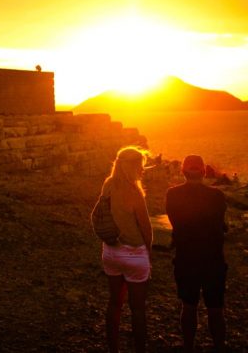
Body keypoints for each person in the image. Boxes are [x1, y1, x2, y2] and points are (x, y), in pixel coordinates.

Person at [165, 154, 228, 352]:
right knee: (216, 308)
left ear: (183, 171)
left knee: (189, 305)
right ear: (203, 171)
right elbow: (221, 225)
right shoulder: (217, 195)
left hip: (186, 258)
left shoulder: (172, 194)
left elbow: (176, 222)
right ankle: (219, 346)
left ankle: (189, 346)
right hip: (213, 259)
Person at [100, 146, 153, 353]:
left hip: (111, 252)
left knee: (114, 303)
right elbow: (146, 228)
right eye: (140, 166)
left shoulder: (108, 185)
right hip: (134, 254)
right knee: (138, 309)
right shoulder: (134, 191)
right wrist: (148, 255)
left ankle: (113, 349)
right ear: (132, 167)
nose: (143, 170)